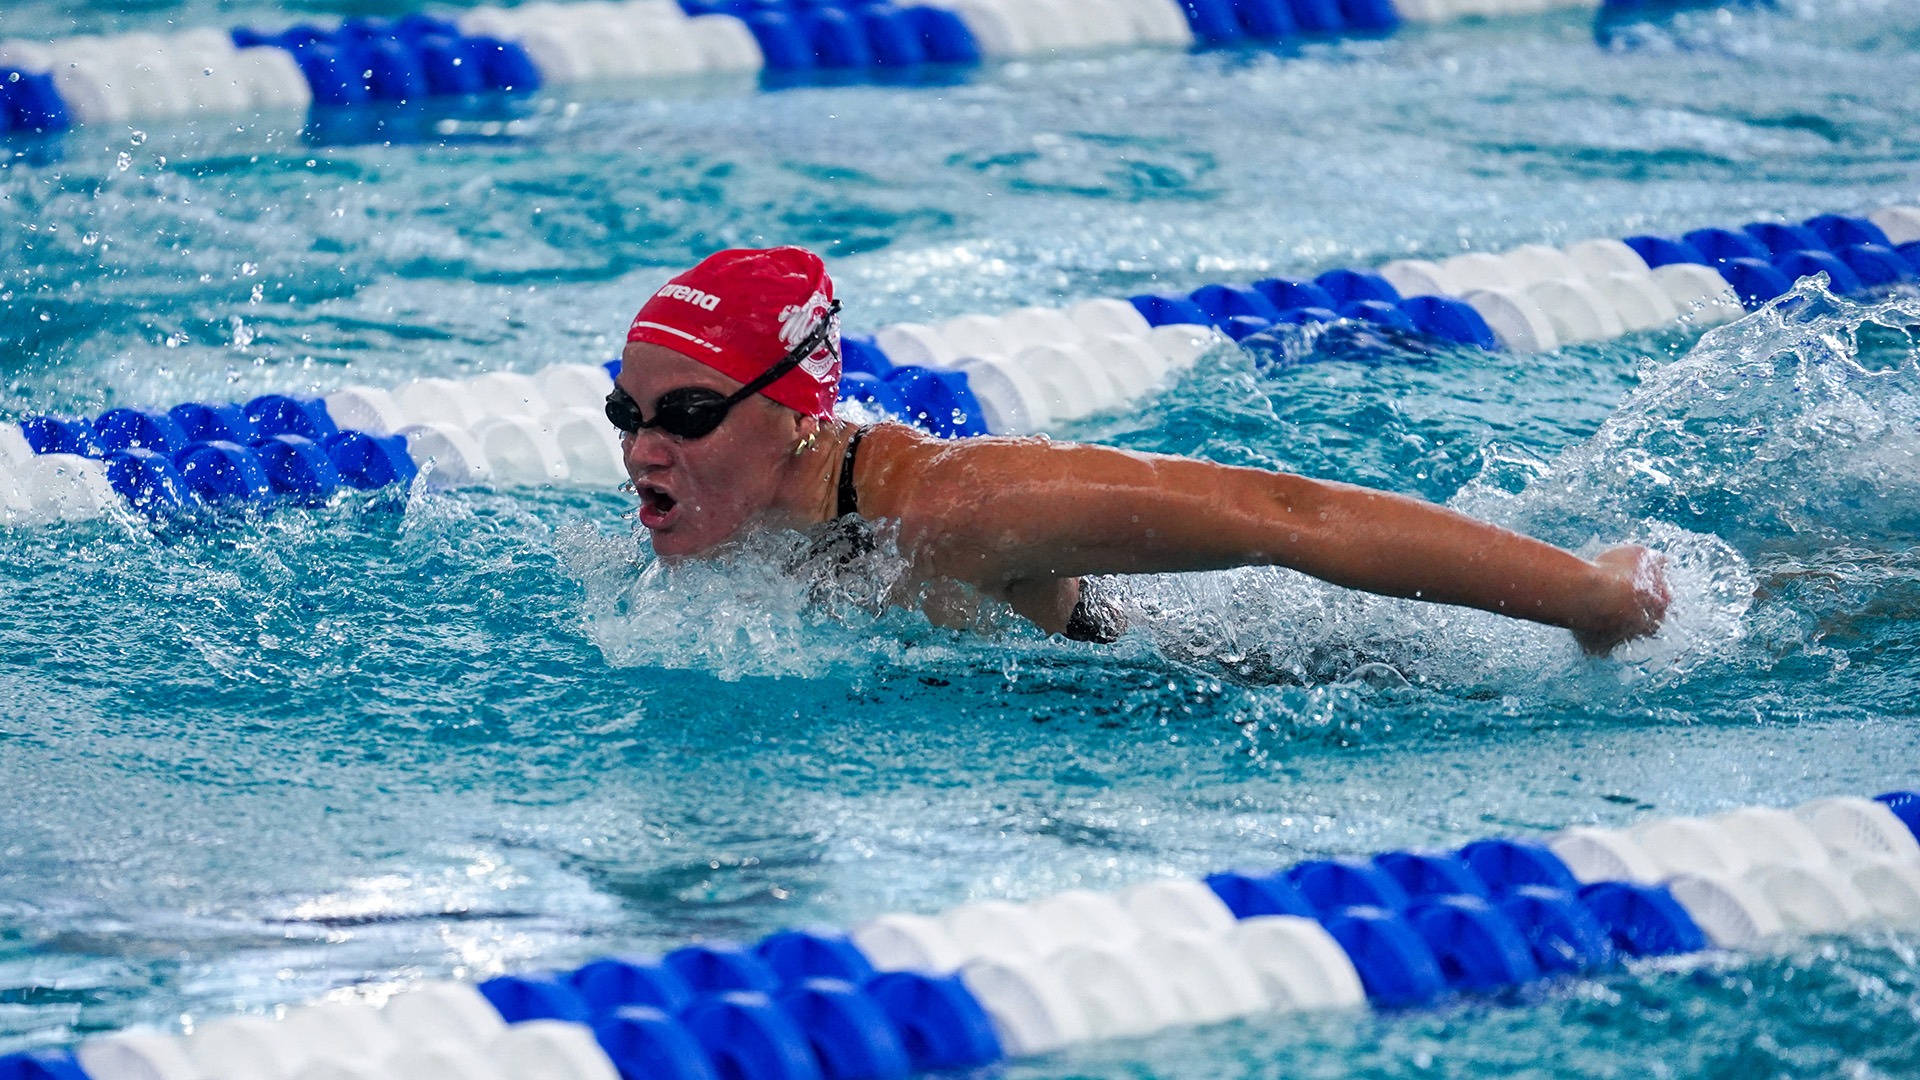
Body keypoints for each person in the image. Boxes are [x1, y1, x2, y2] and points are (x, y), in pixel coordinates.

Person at [610, 246, 1669, 653]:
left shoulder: (955, 508)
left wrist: (1589, 598)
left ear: (796, 411)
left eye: (686, 416)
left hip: (1313, 682)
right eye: (627, 416)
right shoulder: (739, 527)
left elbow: (1282, 518)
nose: (645, 452)